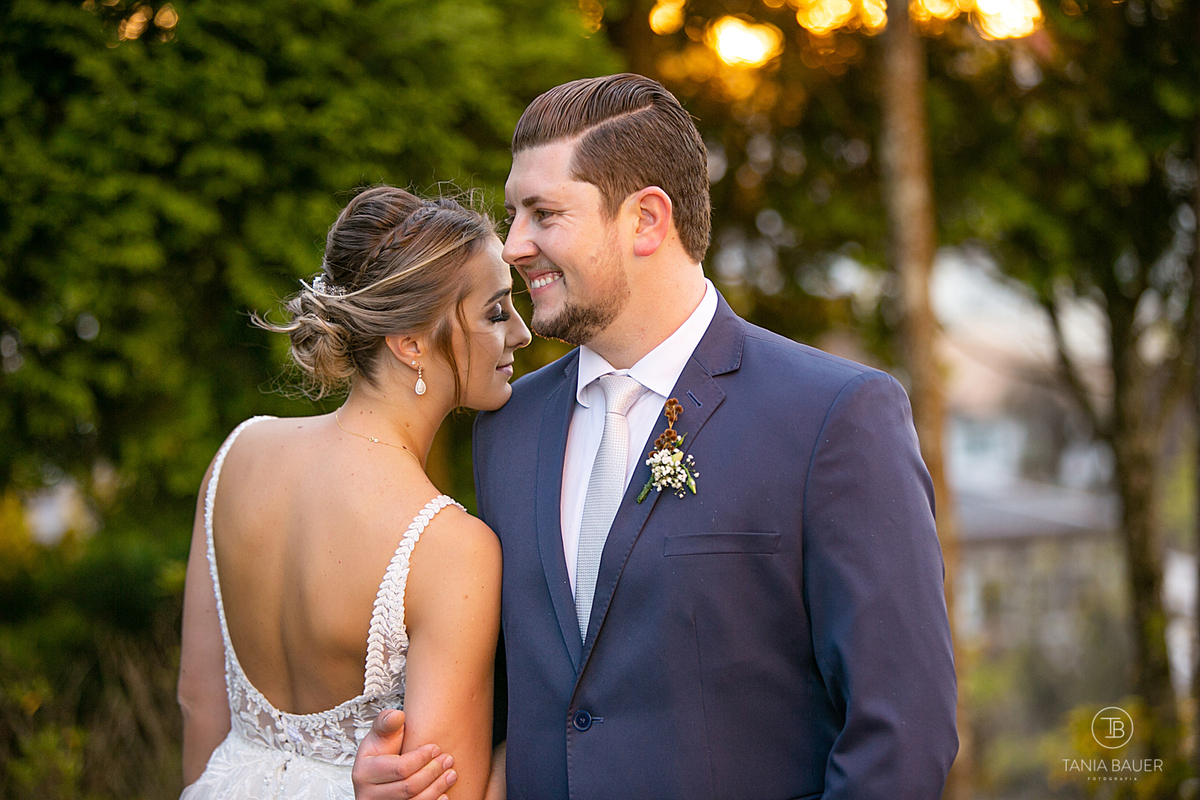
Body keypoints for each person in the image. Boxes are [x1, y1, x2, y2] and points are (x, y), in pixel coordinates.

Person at [355, 74, 958, 800]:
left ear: (646, 221)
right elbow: (511, 708)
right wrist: (410, 774)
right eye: (514, 213)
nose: (513, 246)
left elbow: (903, 733)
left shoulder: (834, 418)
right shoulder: (506, 429)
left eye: (544, 214)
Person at [177, 186, 530, 800]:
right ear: (411, 342)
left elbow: (195, 702)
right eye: (497, 312)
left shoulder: (236, 455)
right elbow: (447, 791)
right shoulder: (450, 548)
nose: (521, 333)